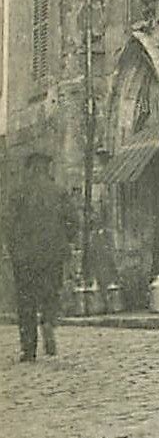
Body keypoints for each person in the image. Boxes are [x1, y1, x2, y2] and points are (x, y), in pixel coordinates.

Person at [3, 150, 78, 363]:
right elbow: (73, 220)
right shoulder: (59, 192)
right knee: (51, 292)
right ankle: (48, 321)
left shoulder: (18, 193)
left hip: (24, 258)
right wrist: (65, 240)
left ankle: (28, 349)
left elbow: (7, 223)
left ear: (29, 169)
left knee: (26, 302)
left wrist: (13, 247)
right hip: (53, 255)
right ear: (47, 168)